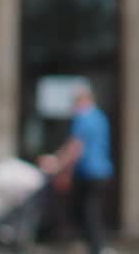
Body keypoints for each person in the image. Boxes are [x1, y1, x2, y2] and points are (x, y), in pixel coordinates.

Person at [40, 85, 114, 254]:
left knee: (88, 212)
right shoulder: (99, 117)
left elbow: (75, 147)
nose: (73, 106)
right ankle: (95, 246)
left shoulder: (84, 117)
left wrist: (58, 165)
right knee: (92, 211)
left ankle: (95, 247)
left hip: (90, 172)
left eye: (75, 101)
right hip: (102, 171)